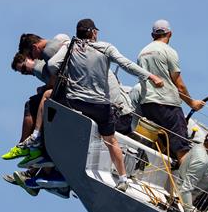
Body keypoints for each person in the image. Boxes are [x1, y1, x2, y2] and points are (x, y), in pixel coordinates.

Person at [46, 18, 165, 192]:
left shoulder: (69, 47)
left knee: (49, 101)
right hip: (99, 106)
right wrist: (151, 76)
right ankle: (123, 178)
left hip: (75, 102)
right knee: (111, 141)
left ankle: (45, 154)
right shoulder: (105, 47)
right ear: (94, 32)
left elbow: (52, 65)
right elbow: (126, 65)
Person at [137, 19, 205, 161]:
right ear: (170, 34)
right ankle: (186, 182)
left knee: (160, 142)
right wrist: (192, 104)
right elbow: (179, 84)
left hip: (147, 104)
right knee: (182, 150)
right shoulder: (169, 51)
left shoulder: (142, 53)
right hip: (168, 105)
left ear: (152, 35)